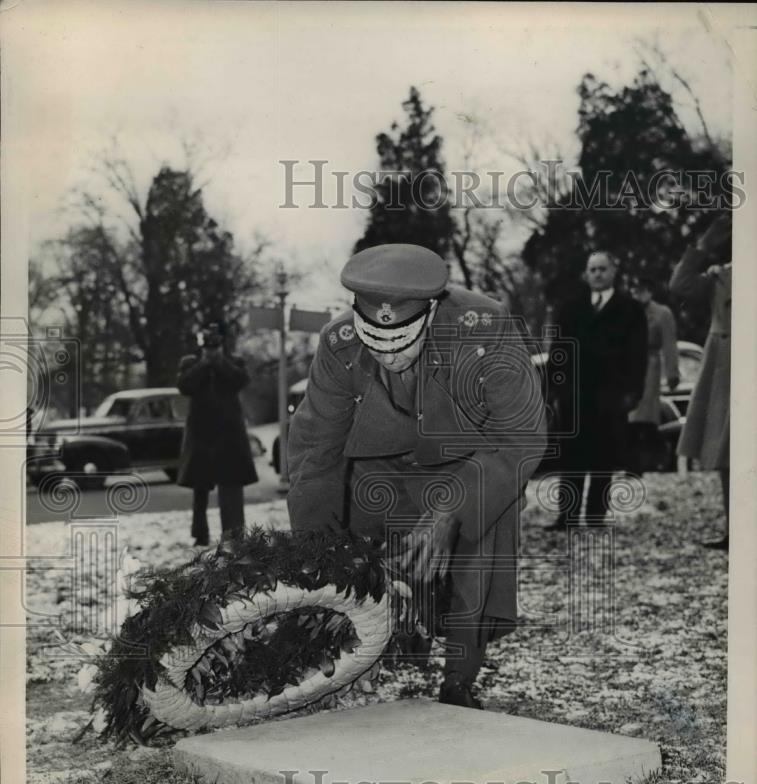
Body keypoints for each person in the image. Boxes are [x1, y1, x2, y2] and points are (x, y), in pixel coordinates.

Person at [287, 243, 547, 709]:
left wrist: (451, 512)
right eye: (377, 345)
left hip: (468, 462)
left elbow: (520, 438)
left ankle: (459, 680)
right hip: (380, 464)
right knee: (358, 548)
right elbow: (315, 452)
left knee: (481, 534)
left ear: (429, 314)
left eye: (402, 343)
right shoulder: (339, 342)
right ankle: (395, 634)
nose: (389, 357)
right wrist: (315, 551)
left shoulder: (484, 327)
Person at [546, 251, 648, 528]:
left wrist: (632, 392)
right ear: (586, 274)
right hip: (575, 394)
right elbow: (558, 351)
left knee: (604, 457)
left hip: (611, 394)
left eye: (603, 269)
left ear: (614, 271)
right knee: (572, 457)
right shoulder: (570, 309)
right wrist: (556, 387)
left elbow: (638, 354)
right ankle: (567, 516)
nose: (598, 274)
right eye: (592, 269)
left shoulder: (630, 310)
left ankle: (595, 516)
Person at [670, 215, 732, 550]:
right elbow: (680, 286)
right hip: (726, 368)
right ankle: (734, 528)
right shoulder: (722, 274)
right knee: (728, 451)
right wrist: (704, 248)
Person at [176, 322, 257, 546]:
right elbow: (184, 385)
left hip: (229, 436)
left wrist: (219, 362)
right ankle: (200, 534)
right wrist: (204, 364)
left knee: (231, 488)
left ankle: (233, 535)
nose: (211, 350)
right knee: (199, 489)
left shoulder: (234, 362)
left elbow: (240, 380)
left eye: (215, 346)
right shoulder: (190, 363)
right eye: (208, 346)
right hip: (201, 436)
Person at [628, 278, 680, 473]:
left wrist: (672, 373)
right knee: (629, 418)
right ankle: (633, 465)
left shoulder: (662, 313)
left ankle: (657, 460)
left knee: (645, 418)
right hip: (629, 367)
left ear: (650, 291)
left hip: (650, 366)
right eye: (633, 290)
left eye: (641, 290)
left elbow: (669, 344)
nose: (637, 294)